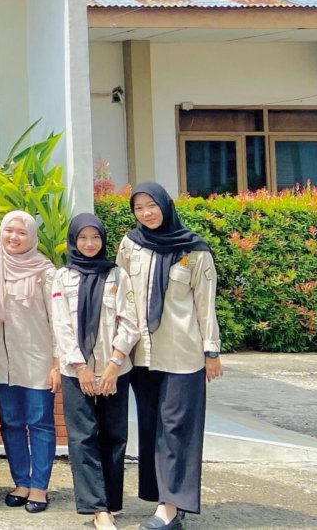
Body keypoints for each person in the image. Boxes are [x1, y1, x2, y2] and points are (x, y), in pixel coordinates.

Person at [119, 183, 222, 530]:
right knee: (152, 428)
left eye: (152, 205)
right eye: (139, 208)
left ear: (166, 205)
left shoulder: (194, 250)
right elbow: (118, 297)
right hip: (141, 356)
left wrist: (211, 351)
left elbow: (205, 305)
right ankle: (162, 496)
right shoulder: (130, 245)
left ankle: (171, 508)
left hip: (183, 355)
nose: (146, 213)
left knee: (177, 430)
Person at [54, 213, 141, 530]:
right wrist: (81, 368)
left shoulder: (117, 275)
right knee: (83, 438)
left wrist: (113, 365)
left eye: (95, 237)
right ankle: (97, 508)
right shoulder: (62, 277)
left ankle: (111, 502)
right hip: (76, 371)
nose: (89, 243)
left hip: (114, 368)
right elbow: (61, 325)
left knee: (114, 435)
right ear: (73, 240)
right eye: (83, 238)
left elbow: (129, 321)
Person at [0, 210, 60, 513]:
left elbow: (58, 320)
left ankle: (39, 487)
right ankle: (21, 482)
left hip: (38, 360)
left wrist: (57, 363)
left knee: (40, 423)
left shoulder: (45, 272)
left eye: (22, 232)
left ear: (32, 236)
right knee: (11, 423)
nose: (13, 237)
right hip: (2, 362)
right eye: (8, 230)